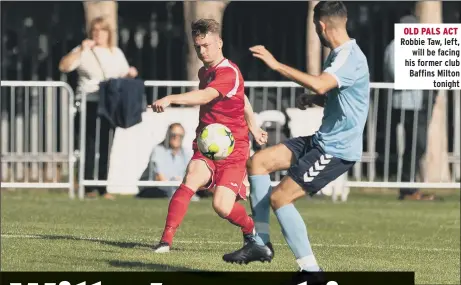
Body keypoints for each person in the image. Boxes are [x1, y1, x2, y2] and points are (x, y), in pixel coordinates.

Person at [222, 1, 370, 272]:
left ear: (322, 26)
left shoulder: (350, 57)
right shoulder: (339, 55)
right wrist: (316, 100)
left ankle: (311, 271)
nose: (316, 31)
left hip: (336, 151)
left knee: (280, 198)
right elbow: (348, 101)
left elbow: (320, 82)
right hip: (321, 140)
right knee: (258, 162)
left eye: (315, 27)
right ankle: (260, 243)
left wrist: (276, 64)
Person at [148, 18, 269, 253]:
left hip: (233, 149)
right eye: (197, 47)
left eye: (206, 46)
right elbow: (241, 98)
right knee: (191, 177)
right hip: (207, 143)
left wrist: (171, 98)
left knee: (222, 206)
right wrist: (253, 124)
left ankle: (250, 231)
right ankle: (165, 241)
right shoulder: (205, 71)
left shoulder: (228, 72)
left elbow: (205, 97)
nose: (202, 51)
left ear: (219, 43)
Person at [59, 17, 138, 200]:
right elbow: (64, 66)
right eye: (95, 31)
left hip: (109, 103)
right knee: (88, 144)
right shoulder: (83, 51)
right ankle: (87, 186)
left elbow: (122, 75)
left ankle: (103, 186)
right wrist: (81, 49)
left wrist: (130, 73)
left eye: (102, 31)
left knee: (106, 145)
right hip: (89, 102)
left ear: (108, 34)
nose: (98, 34)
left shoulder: (115, 53)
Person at [383, 15, 436, 201]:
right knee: (415, 145)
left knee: (418, 145)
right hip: (407, 105)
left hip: (420, 103)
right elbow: (397, 73)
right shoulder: (395, 46)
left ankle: (410, 186)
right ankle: (407, 188)